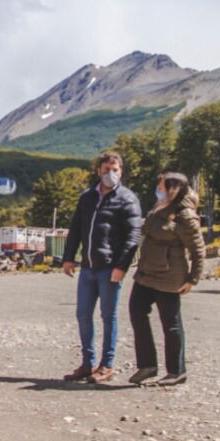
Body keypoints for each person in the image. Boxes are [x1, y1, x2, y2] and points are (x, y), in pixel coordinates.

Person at [60, 150, 144, 383]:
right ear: (98, 171)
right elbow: (76, 229)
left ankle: (106, 365)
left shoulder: (127, 199)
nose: (110, 174)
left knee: (108, 316)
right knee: (83, 315)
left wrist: (122, 266)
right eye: (106, 170)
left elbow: (133, 235)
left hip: (110, 269)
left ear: (121, 171)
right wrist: (68, 257)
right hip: (87, 268)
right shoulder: (87, 197)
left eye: (114, 170)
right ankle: (87, 363)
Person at [128, 171, 206, 387]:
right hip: (146, 273)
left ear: (174, 189)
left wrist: (193, 279)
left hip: (170, 276)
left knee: (170, 323)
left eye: (162, 186)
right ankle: (147, 365)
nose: (158, 189)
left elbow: (198, 249)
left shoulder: (186, 215)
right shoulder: (159, 206)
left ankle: (177, 371)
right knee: (136, 311)